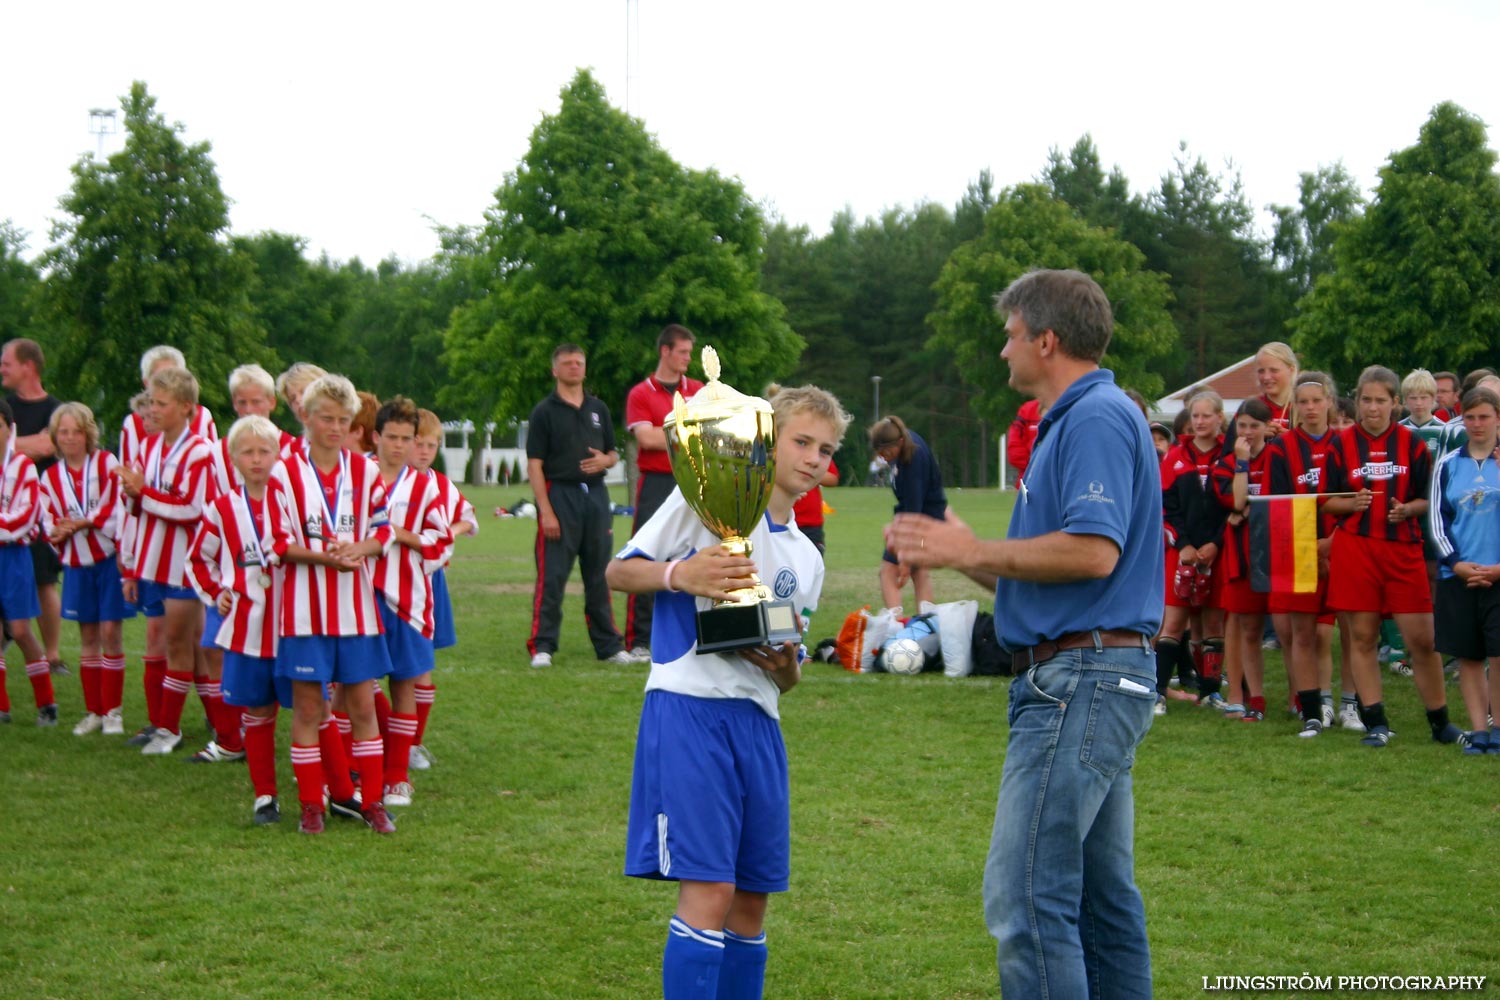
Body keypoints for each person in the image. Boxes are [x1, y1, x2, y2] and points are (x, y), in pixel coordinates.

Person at [886, 269, 1161, 999]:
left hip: (1080, 684)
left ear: (1047, 340)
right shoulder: (1077, 419)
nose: (1002, 349)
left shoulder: (1095, 417)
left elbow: (1093, 552)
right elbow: (1057, 578)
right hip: (1092, 674)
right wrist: (965, 557)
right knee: (1102, 906)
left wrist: (969, 553)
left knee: (1027, 901)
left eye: (1010, 335)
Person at [606, 382, 848, 1000]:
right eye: (801, 441)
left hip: (758, 725)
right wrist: (680, 574)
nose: (813, 458)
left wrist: (786, 667)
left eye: (825, 448)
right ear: (767, 441)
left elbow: (791, 667)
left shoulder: (807, 555)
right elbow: (619, 570)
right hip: (689, 712)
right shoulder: (701, 504)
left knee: (751, 899)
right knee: (709, 889)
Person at [268, 373, 396, 834]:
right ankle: (310, 805)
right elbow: (277, 543)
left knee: (362, 707)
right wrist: (326, 556)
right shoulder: (283, 471)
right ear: (305, 415)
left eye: (344, 420)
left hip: (356, 611)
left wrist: (360, 549)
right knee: (307, 711)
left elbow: (384, 532)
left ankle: (374, 803)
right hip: (304, 615)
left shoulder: (363, 470)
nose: (336, 428)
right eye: (327, 418)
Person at [1323, 365, 1464, 748]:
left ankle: (1441, 722)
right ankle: (1376, 722)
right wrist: (1351, 503)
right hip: (1356, 548)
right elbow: (1324, 502)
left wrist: (1409, 509)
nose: (1372, 408)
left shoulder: (1413, 444)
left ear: (1395, 403)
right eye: (1366, 400)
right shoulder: (1340, 444)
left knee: (1422, 638)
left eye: (1380, 400)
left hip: (1403, 548)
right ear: (1357, 401)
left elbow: (1428, 498)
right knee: (1364, 636)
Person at [187, 415, 288, 824]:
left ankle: (323, 790)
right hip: (247, 629)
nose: (257, 459)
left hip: (294, 626)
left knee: (314, 709)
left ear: (278, 455)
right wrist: (217, 593)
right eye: (247, 452)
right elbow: (197, 559)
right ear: (233, 459)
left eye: (265, 451)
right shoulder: (221, 508)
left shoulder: (292, 499)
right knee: (258, 712)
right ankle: (265, 796)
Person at [117, 367, 214, 755]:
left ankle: (169, 729)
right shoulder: (150, 446)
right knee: (185, 644)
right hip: (154, 560)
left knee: (179, 643)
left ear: (186, 407)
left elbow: (193, 509)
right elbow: (138, 504)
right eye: (151, 403)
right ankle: (223, 729)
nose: (153, 410)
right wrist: (131, 492)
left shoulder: (200, 451)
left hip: (185, 563)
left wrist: (144, 492)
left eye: (161, 404)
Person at [525, 344, 634, 669]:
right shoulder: (544, 411)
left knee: (600, 574)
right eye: (567, 363)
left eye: (579, 362)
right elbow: (534, 465)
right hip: (560, 495)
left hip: (596, 498)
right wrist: (545, 510)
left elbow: (614, 453)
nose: (574, 367)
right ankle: (542, 646)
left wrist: (607, 459)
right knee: (553, 576)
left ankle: (609, 646)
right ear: (555, 370)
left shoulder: (598, 408)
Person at [369, 397, 452, 808]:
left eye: (407, 438)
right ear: (375, 437)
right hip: (359, 601)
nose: (400, 446)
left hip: (409, 601)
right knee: (354, 687)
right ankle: (357, 767)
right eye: (393, 437)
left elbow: (442, 542)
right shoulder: (356, 478)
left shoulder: (425, 486)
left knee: (404, 684)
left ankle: (397, 777)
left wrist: (400, 535)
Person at [40, 403, 131, 735]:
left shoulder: (107, 463)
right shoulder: (50, 477)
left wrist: (84, 522)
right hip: (76, 563)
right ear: (55, 437)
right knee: (89, 636)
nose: (69, 438)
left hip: (108, 560)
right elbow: (47, 521)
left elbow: (117, 507)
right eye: (63, 432)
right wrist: (59, 531)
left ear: (88, 433)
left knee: (111, 633)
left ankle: (114, 712)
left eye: (76, 431)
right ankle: (94, 710)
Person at [1265, 372, 1347, 735]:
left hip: (1342, 548)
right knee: (1301, 634)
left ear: (1330, 401)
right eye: (1304, 402)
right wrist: (1311, 548)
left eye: (1317, 400)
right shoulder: (1282, 449)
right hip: (1299, 551)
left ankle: (1351, 706)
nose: (1311, 408)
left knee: (1350, 631)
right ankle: (1311, 709)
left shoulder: (1345, 444)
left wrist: (1333, 543)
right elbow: (1278, 507)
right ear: (1295, 407)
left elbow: (1355, 501)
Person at [623, 324, 704, 658]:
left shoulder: (699, 390)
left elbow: (703, 433)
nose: (688, 358)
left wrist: (669, 433)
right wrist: (687, 432)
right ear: (665, 351)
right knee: (646, 553)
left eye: (690, 352)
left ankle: (696, 629)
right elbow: (647, 439)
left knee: (696, 550)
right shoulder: (641, 393)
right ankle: (640, 639)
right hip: (656, 482)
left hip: (694, 480)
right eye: (682, 352)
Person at [1430, 386, 1500, 753]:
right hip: (1459, 575)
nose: (1476, 424)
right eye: (1470, 417)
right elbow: (1436, 521)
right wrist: (1456, 564)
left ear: (1498, 419)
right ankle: (1479, 730)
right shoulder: (1448, 464)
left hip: (1498, 573)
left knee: (1499, 653)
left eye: (1484, 416)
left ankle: (1499, 727)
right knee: (1470, 657)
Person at [407, 407, 477, 772]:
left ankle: (412, 743)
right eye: (417, 443)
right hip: (389, 581)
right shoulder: (382, 477)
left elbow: (468, 516)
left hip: (429, 582)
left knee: (421, 665)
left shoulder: (439, 483)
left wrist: (451, 531)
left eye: (431, 446)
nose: (423, 452)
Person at [1157, 389, 1229, 713]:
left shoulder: (1230, 455)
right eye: (1195, 416)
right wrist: (1183, 543)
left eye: (1206, 416)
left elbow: (1233, 508)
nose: (1200, 422)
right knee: (1173, 623)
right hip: (1182, 552)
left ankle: (1210, 691)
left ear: (1219, 419)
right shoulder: (1175, 456)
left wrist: (1216, 543)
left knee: (1213, 624)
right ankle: (1157, 692)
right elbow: (1165, 507)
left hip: (1218, 552)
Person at [1, 338, 66, 676]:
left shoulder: (55, 409)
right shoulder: (5, 405)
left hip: (41, 513)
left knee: (44, 581)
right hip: (5, 512)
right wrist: (31, 444)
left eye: (6, 363)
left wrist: (16, 445)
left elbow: (49, 444)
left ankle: (53, 656)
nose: (1, 369)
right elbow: (38, 445)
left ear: (28, 366)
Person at [1211, 398, 1277, 722]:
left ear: (1268, 427)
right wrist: (1241, 463)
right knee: (1249, 629)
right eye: (1243, 425)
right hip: (1241, 554)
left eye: (1255, 425)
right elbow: (1236, 501)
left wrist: (1253, 509)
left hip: (1278, 551)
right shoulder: (1225, 464)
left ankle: (1303, 698)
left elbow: (1283, 495)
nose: (1248, 432)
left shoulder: (1279, 456)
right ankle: (1255, 697)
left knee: (1291, 630)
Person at [0, 399, 58, 726]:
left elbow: (25, 517)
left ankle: (47, 703)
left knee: (21, 631)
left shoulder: (23, 467)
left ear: (10, 429)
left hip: (15, 556)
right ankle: (2, 707)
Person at [868, 415, 948, 616]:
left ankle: (896, 628)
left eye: (887, 452)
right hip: (919, 517)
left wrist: (904, 559)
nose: (884, 457)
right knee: (919, 571)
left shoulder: (913, 460)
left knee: (890, 570)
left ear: (900, 442)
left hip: (922, 521)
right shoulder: (903, 445)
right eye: (880, 453)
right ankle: (926, 625)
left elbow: (914, 509)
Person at [1254, 342, 1297, 433]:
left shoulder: (1305, 406)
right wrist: (1257, 437)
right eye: (1261, 371)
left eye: (1274, 370)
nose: (1266, 377)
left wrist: (1289, 439)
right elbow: (1231, 445)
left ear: (1291, 370)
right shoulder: (1251, 408)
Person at [1006, 398, 1044, 482]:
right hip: (1028, 482)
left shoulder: (1072, 408)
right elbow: (1014, 454)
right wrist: (1039, 463)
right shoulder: (1027, 410)